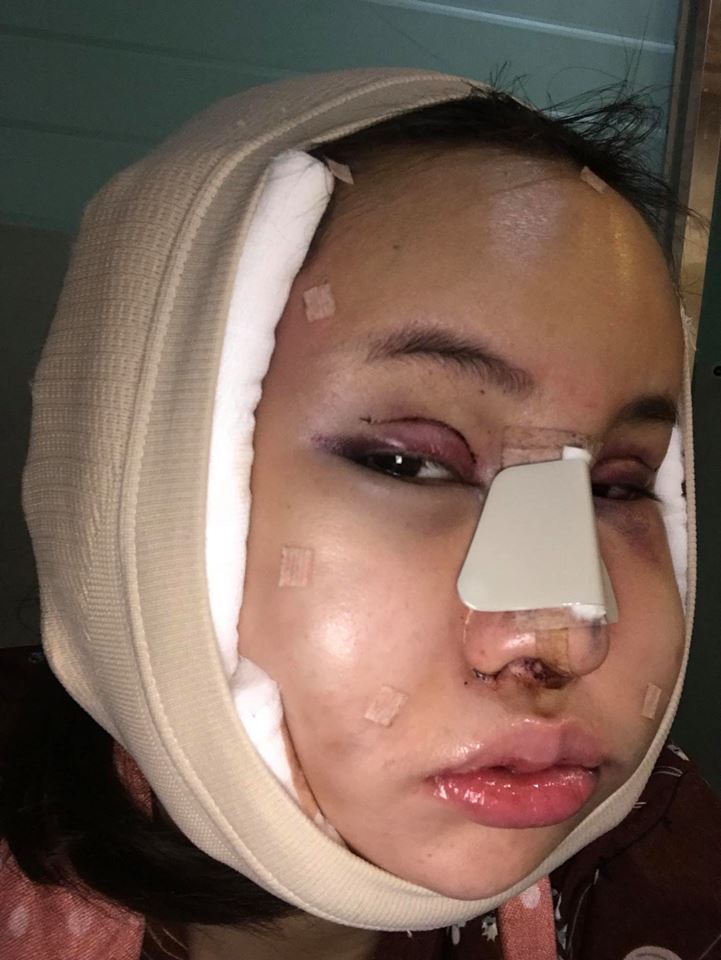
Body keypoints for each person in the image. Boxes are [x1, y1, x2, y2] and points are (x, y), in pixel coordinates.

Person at [2, 68, 721, 960]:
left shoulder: (659, 867)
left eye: (616, 487)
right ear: (134, 486)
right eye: (408, 463)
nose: (562, 638)